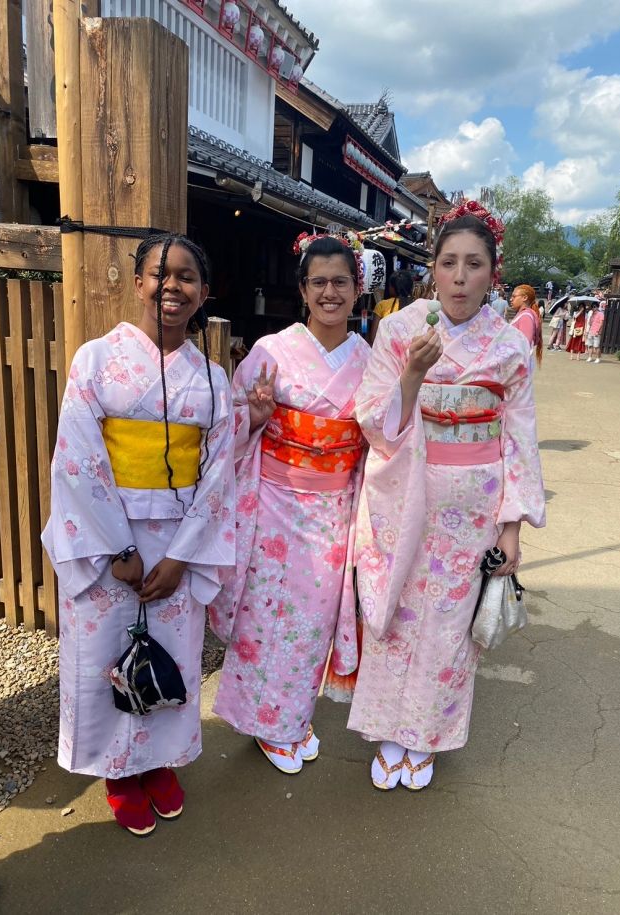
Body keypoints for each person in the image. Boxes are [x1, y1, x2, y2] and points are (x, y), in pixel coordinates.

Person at [348, 199, 545, 790]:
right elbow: (371, 422)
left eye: (474, 264)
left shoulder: (508, 346)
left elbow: (519, 436)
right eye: (450, 263)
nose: (460, 277)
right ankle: (388, 728)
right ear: (432, 267)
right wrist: (412, 374)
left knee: (451, 620)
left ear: (493, 272)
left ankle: (427, 736)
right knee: (398, 610)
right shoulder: (401, 329)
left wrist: (511, 526)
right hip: (407, 490)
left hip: (475, 500)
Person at [42, 234, 235, 837]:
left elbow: (218, 472)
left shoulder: (211, 379)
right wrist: (118, 549)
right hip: (107, 540)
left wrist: (181, 557)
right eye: (159, 274)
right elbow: (77, 459)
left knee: (171, 656)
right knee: (104, 654)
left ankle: (158, 762)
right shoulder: (96, 360)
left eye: (185, 277)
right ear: (137, 284)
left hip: (180, 540)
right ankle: (117, 772)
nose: (171, 287)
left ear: (204, 293)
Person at [210, 234, 371, 774]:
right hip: (274, 501)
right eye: (319, 282)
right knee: (264, 615)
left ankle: (289, 719)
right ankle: (266, 724)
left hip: (335, 508)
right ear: (303, 289)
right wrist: (254, 418)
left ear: (357, 289)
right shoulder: (270, 351)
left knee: (312, 620)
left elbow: (382, 440)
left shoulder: (372, 362)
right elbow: (228, 424)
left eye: (340, 282)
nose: (330, 292)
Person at [369, 270, 414, 344]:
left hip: (385, 352)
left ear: (392, 287)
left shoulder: (382, 305)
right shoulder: (415, 306)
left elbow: (373, 337)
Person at [510, 284, 543, 365]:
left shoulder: (526, 317)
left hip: (517, 364)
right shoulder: (523, 315)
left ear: (525, 298)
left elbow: (525, 344)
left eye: (514, 297)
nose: (511, 299)